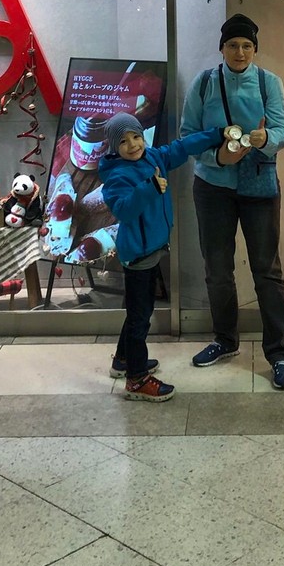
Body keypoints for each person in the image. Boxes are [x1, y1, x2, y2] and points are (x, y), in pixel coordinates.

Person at [181, 14, 284, 389]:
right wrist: (217, 157)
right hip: (212, 187)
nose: (240, 52)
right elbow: (188, 135)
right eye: (233, 45)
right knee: (217, 268)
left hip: (259, 184)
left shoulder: (269, 82)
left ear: (255, 49)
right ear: (222, 48)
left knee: (267, 269)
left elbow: (283, 129)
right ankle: (225, 340)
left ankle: (278, 353)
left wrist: (266, 139)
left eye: (247, 45)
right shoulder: (204, 83)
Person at [99, 111, 228, 401]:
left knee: (138, 313)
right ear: (114, 147)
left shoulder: (153, 157)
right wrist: (149, 188)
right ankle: (136, 380)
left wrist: (217, 134)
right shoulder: (117, 176)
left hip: (151, 249)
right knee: (140, 319)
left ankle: (123, 360)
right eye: (123, 141)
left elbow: (182, 147)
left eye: (136, 136)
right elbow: (123, 210)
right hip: (138, 256)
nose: (133, 144)